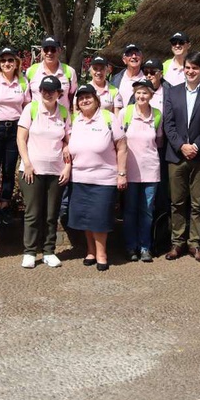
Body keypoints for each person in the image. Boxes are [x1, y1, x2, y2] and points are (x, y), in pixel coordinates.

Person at [162, 51, 200, 262]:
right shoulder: (173, 93)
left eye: (195, 68)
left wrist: (196, 145)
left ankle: (194, 243)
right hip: (177, 156)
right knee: (177, 202)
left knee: (199, 203)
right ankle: (177, 242)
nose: (190, 71)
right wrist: (181, 146)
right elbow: (167, 124)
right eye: (187, 68)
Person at [65, 84, 127, 270]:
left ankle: (102, 253)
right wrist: (66, 148)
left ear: (96, 99)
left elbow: (122, 147)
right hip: (79, 178)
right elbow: (68, 142)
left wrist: (121, 174)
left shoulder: (109, 118)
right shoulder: (76, 121)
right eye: (81, 98)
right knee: (85, 218)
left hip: (104, 179)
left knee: (99, 218)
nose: (85, 100)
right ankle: (90, 250)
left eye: (88, 97)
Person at [16, 75, 70, 268]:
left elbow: (68, 139)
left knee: (51, 213)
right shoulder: (30, 109)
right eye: (44, 90)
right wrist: (27, 163)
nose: (47, 94)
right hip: (31, 170)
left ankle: (48, 251)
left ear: (59, 93)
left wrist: (67, 164)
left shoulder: (63, 112)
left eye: (52, 91)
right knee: (33, 212)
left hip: (56, 171)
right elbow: (21, 139)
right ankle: (30, 252)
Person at [0, 47, 30, 226]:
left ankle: (6, 204)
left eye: (10, 60)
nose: (7, 64)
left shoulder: (23, 82)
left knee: (9, 170)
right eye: (3, 61)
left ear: (16, 62)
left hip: (15, 129)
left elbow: (27, 107)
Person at [121, 77, 163, 263]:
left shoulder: (158, 114)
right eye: (138, 92)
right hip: (129, 170)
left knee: (147, 211)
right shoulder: (125, 113)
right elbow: (119, 141)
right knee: (130, 210)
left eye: (145, 92)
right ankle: (131, 247)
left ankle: (145, 247)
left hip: (150, 170)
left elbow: (159, 141)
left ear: (151, 95)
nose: (141, 95)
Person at [26, 36, 76, 108]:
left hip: (61, 117)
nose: (49, 53)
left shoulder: (69, 72)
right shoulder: (31, 71)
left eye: (53, 50)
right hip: (37, 117)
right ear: (41, 51)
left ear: (59, 51)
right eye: (46, 49)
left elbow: (72, 97)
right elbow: (27, 98)